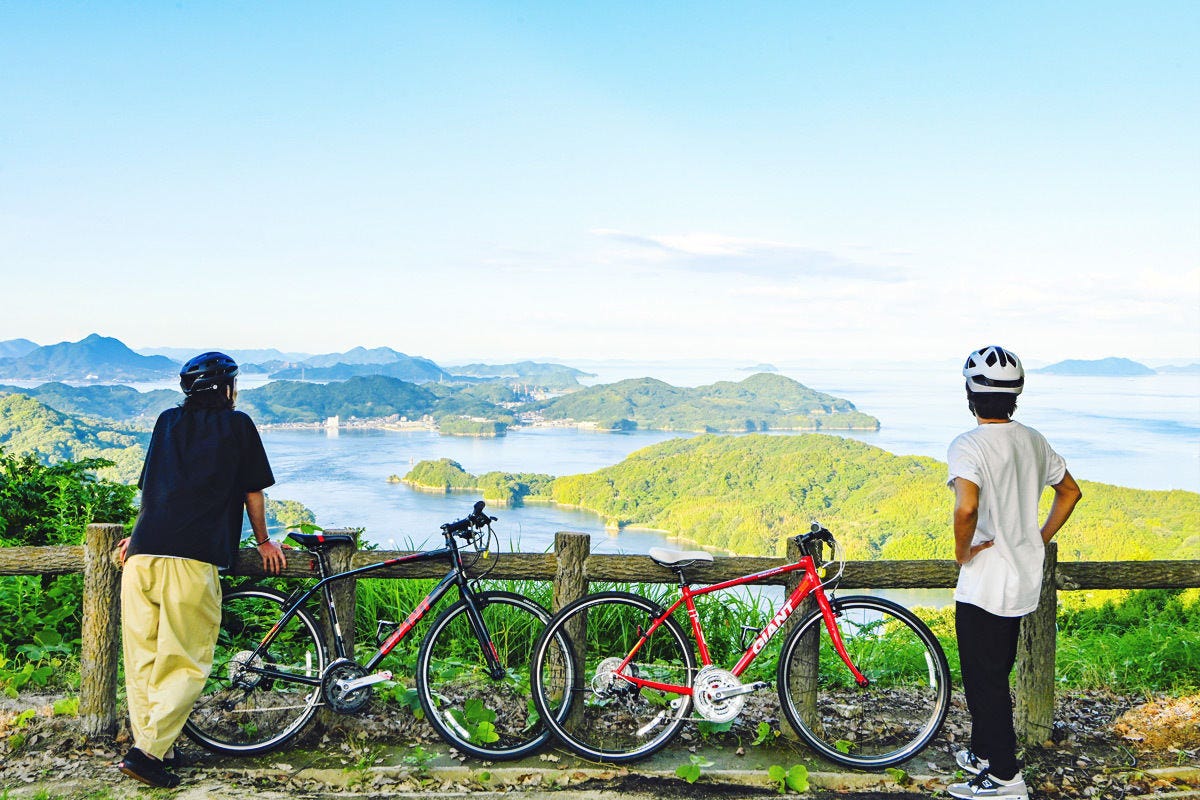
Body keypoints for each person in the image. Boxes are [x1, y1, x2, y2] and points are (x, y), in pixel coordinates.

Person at [117, 352, 287, 788]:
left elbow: (153, 490)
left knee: (144, 660)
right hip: (191, 561)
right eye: (234, 383)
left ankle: (155, 749)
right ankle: (147, 753)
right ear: (225, 387)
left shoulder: (166, 422)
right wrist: (264, 541)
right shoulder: (238, 425)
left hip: (141, 560)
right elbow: (253, 493)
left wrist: (136, 538)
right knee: (186, 661)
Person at [945, 346, 1082, 800]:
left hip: (985, 581)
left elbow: (966, 506)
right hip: (1022, 577)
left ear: (970, 394)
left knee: (984, 682)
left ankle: (1005, 777)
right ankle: (985, 754)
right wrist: (1037, 537)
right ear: (1015, 395)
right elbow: (1070, 492)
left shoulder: (969, 445)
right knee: (994, 673)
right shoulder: (1033, 440)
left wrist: (963, 553)